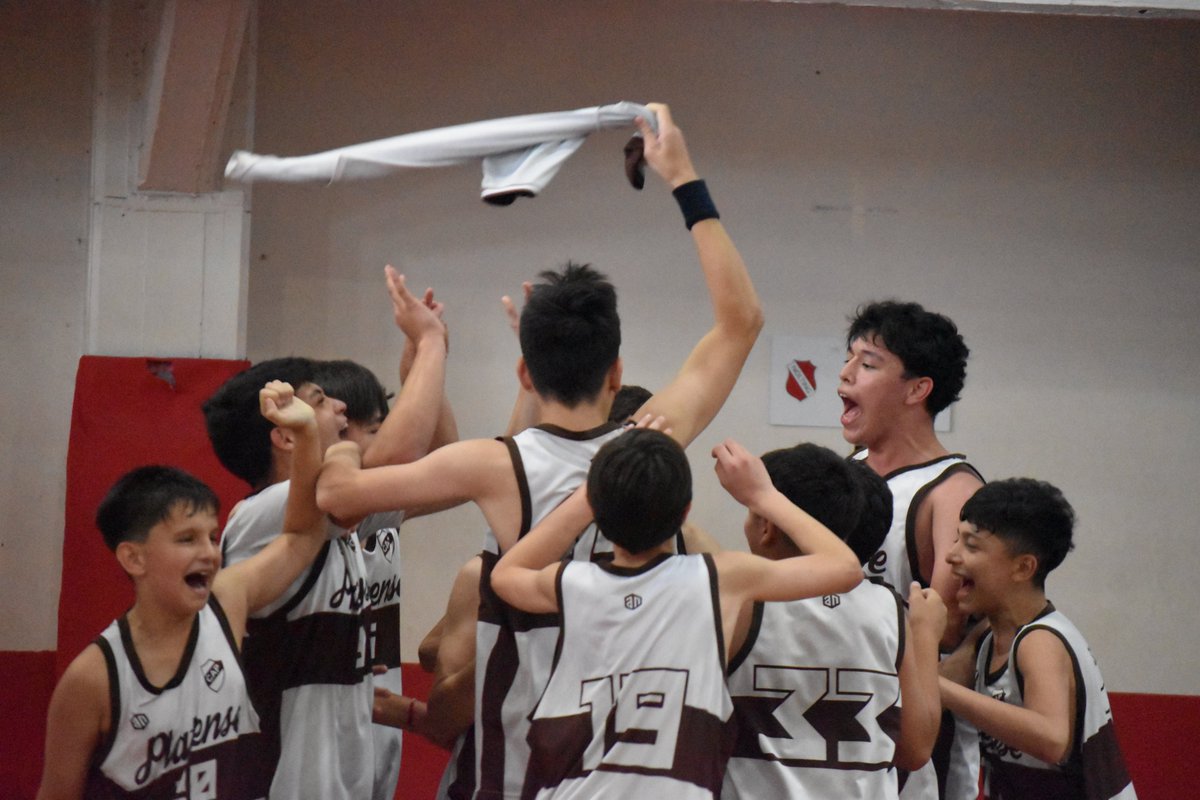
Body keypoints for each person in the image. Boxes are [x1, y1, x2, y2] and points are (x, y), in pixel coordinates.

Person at [318, 102, 763, 800]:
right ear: (616, 373)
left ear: (525, 373)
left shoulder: (496, 464)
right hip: (632, 755)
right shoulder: (651, 437)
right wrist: (682, 176)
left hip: (526, 755)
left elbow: (337, 498)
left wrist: (337, 443)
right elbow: (741, 323)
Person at [489, 429, 863, 798]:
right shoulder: (718, 579)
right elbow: (845, 567)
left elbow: (505, 575)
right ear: (686, 511)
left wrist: (588, 495)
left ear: (598, 514)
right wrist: (762, 495)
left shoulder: (572, 584)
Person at [205, 270, 448, 800]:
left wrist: (421, 371)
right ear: (283, 431)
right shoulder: (263, 515)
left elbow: (439, 467)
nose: (339, 407)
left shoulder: (338, 513)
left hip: (350, 772)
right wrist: (429, 344)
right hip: (284, 780)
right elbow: (398, 456)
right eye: (321, 400)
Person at [36, 382, 326, 800]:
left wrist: (307, 435)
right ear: (133, 558)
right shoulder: (93, 678)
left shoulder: (228, 602)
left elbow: (302, 536)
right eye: (187, 539)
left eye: (212, 536)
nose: (209, 552)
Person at [722, 443, 946, 800]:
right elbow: (915, 750)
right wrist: (927, 636)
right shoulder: (887, 607)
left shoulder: (741, 602)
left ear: (767, 526)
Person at [838, 299, 984, 800]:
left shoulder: (952, 491)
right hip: (837, 704)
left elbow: (949, 631)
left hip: (912, 735)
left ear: (918, 389)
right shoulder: (847, 469)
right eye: (849, 358)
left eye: (868, 363)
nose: (846, 373)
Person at [313, 342, 457, 800]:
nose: (390, 443)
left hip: (377, 725)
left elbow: (449, 463)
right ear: (336, 435)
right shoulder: (316, 519)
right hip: (324, 737)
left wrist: (425, 372)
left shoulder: (379, 514)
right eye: (376, 431)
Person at [938, 479, 1136, 800]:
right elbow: (926, 687)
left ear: (1023, 567)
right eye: (956, 540)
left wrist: (941, 689)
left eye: (971, 546)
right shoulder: (988, 635)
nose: (951, 556)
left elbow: (1051, 739)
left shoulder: (1040, 640)